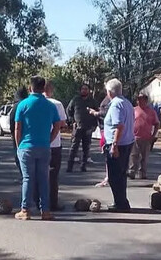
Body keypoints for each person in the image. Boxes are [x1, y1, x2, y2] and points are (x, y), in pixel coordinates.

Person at [14, 76, 62, 221]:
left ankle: (25, 209)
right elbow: (58, 125)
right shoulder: (50, 106)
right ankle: (45, 211)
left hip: (27, 146)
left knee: (28, 178)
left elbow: (18, 127)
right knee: (43, 179)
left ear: (31, 87)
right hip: (44, 146)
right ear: (43, 88)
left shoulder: (23, 105)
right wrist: (49, 139)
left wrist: (18, 145)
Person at [103, 78, 135, 212]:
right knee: (121, 174)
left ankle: (120, 203)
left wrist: (114, 145)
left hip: (119, 143)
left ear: (110, 92)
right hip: (127, 142)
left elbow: (119, 126)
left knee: (115, 176)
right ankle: (122, 201)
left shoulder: (116, 104)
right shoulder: (127, 103)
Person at [41, 81, 67, 211]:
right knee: (53, 174)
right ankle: (52, 202)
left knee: (38, 173)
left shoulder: (36, 102)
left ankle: (38, 200)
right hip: (54, 143)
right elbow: (62, 123)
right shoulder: (57, 104)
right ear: (51, 90)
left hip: (39, 142)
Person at [66, 84, 98, 172]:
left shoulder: (92, 101)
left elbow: (97, 113)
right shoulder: (75, 100)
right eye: (83, 89)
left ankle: (83, 166)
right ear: (80, 90)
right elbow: (69, 111)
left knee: (86, 148)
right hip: (77, 127)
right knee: (74, 147)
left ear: (89, 91)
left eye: (86, 89)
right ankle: (70, 166)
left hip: (88, 128)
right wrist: (72, 121)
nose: (84, 90)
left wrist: (94, 126)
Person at [128, 93, 160, 179]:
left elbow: (157, 124)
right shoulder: (133, 110)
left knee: (144, 157)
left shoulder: (151, 112)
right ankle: (132, 172)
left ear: (145, 101)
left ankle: (142, 173)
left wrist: (153, 135)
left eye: (141, 99)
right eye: (138, 99)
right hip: (134, 137)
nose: (138, 101)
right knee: (134, 155)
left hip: (147, 138)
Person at [89, 95, 111, 187]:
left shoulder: (111, 101)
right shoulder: (124, 102)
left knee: (109, 155)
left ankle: (109, 178)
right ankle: (110, 178)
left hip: (108, 131)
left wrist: (95, 113)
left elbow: (105, 113)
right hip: (106, 130)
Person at [10, 87, 29, 178]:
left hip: (18, 134)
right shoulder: (28, 104)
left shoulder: (16, 107)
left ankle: (24, 176)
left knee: (19, 156)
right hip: (28, 134)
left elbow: (12, 123)